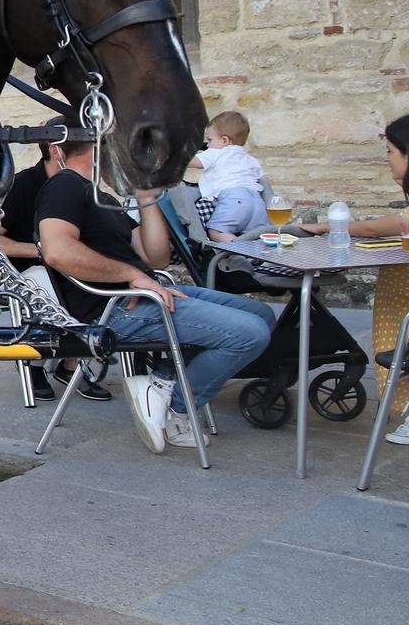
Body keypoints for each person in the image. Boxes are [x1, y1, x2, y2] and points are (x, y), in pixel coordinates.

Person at [36, 139, 276, 454]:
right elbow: (57, 251)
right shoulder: (65, 187)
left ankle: (161, 383)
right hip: (112, 309)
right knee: (250, 334)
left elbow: (156, 257)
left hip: (145, 293)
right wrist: (132, 276)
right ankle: (177, 410)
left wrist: (146, 199)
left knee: (264, 316)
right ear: (100, 147)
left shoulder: (103, 197)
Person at [302, 111, 409, 446]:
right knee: (404, 281)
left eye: (390, 152)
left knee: (405, 292)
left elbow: (382, 227)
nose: (386, 159)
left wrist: (329, 226)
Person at [0, 142, 111, 403]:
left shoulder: (81, 185)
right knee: (46, 283)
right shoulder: (23, 185)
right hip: (26, 267)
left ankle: (72, 363)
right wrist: (42, 251)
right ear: (55, 151)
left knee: (99, 280)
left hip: (68, 266)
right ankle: (35, 363)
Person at [187, 110, 268, 242]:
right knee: (257, 237)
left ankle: (241, 251)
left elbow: (193, 162)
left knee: (217, 231)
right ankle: (262, 258)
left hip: (234, 200)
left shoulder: (217, 152)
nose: (207, 144)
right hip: (257, 203)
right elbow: (264, 180)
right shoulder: (249, 158)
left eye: (210, 139)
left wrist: (172, 156)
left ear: (224, 140)